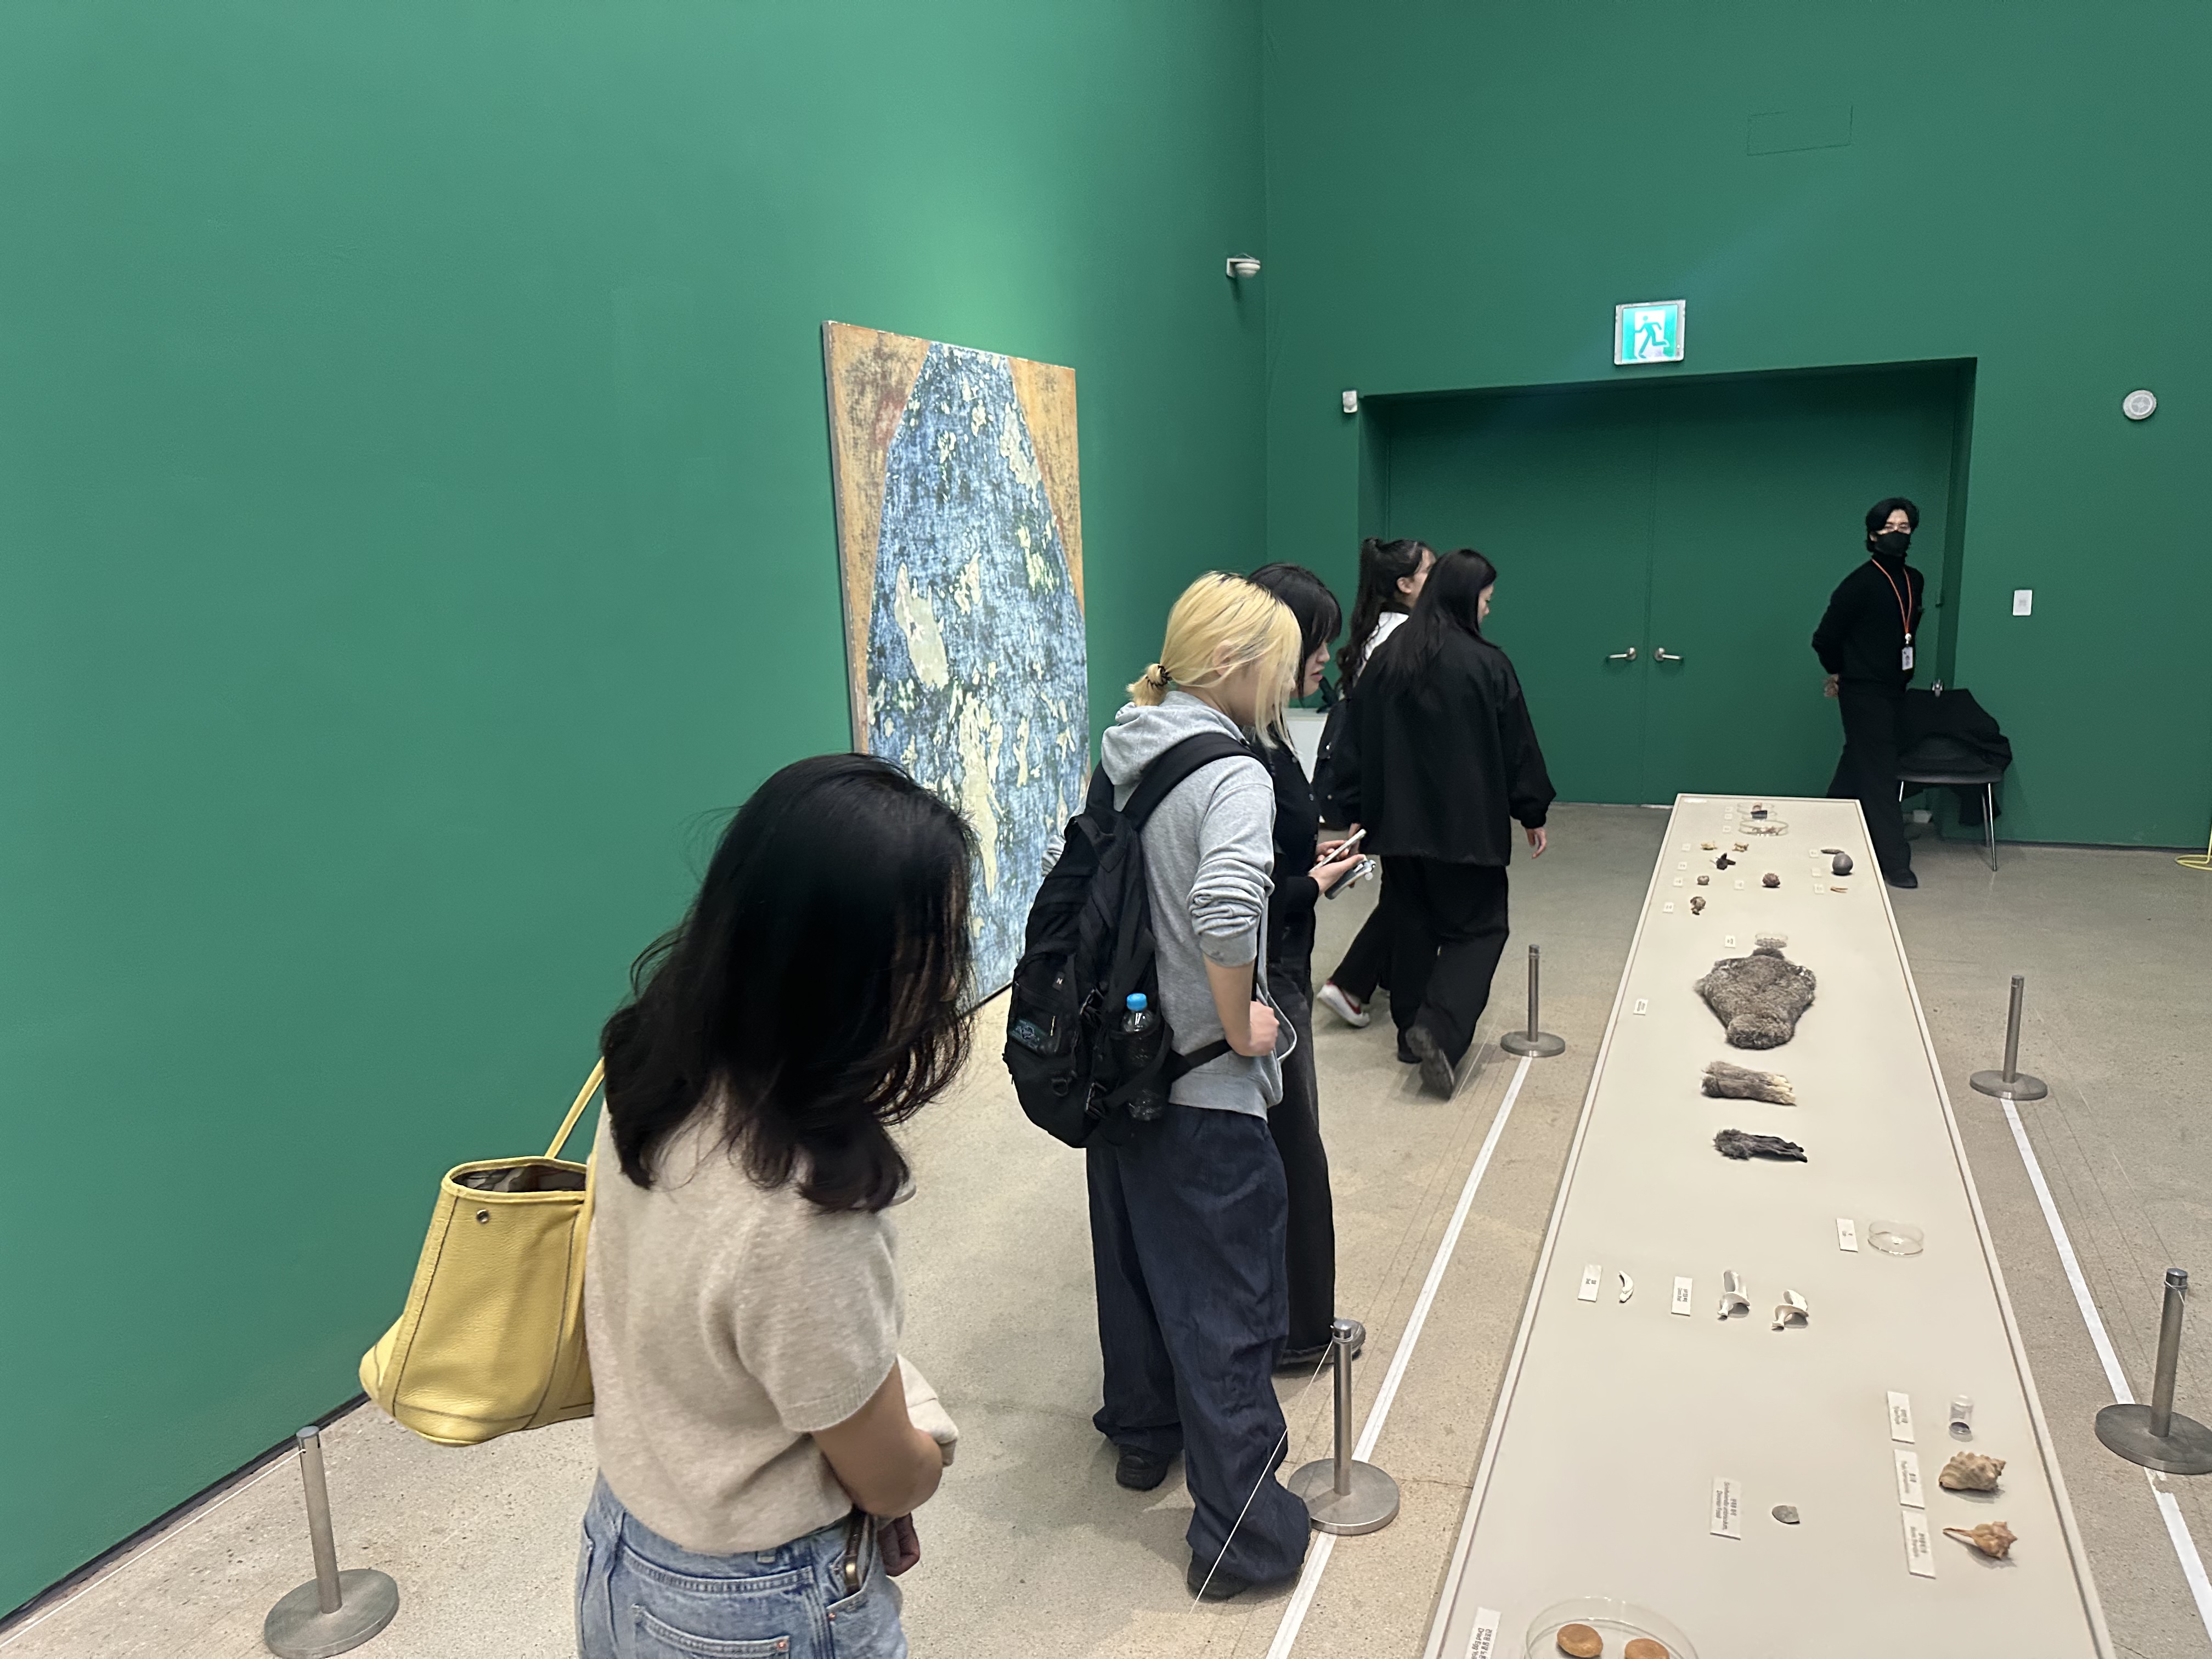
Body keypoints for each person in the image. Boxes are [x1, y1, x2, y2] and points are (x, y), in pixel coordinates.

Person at [579, 754, 974, 1659]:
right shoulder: (807, 1214)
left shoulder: (650, 1078)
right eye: (937, 948)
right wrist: (924, 1448)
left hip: (622, 1548)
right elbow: (888, 1476)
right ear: (864, 975)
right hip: (760, 1606)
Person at [1087, 572, 1312, 1600]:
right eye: (1281, 664)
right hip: (1202, 1085)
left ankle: (1155, 1438)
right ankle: (1242, 1540)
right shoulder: (1234, 774)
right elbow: (1225, 906)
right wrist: (1236, 1022)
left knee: (1150, 1281)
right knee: (1230, 1309)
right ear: (1230, 664)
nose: (1289, 686)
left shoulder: (1126, 746)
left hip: (1123, 1071)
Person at [1334, 549, 1554, 1097]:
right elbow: (1517, 744)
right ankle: (1439, 1028)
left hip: (1396, 828)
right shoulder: (1487, 664)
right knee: (1479, 929)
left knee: (1413, 923)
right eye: (1486, 600)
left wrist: (1354, 812)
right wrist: (1531, 810)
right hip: (1466, 827)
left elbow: (1354, 741)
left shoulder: (1389, 659)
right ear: (1465, 598)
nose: (1488, 610)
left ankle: (1410, 1033)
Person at [1247, 563, 1364, 1371]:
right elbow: (1233, 896)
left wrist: (1309, 862)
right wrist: (1311, 883)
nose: (1325, 655)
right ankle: (1297, 1333)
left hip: (1280, 960)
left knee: (1289, 1146)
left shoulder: (1265, 730)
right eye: (1314, 641)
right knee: (1292, 1147)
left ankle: (1295, 1322)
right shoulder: (1241, 747)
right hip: (1269, 974)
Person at [1316, 537, 1435, 1031]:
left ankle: (1370, 978)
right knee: (1412, 894)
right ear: (1405, 584)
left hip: (1382, 785)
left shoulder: (1376, 632)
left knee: (1405, 889)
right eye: (1429, 571)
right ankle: (1351, 982)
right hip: (1403, 787)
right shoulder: (1408, 638)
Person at [1813, 497, 1927, 888]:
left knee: (1858, 760)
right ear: (1873, 534)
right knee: (1880, 772)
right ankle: (1895, 862)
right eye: (1889, 528)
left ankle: (1825, 830)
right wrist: (1840, 672)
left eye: (1904, 527)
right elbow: (1824, 638)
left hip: (1895, 688)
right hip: (1863, 691)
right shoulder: (1859, 583)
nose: (1897, 534)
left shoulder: (1914, 580)